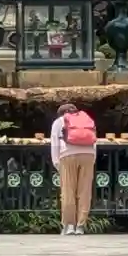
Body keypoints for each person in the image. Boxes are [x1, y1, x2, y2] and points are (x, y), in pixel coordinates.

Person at [49, 99, 98, 234]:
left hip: (67, 155)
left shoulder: (59, 122)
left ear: (61, 113)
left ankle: (69, 225)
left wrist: (56, 162)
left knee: (68, 190)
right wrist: (93, 157)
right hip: (88, 155)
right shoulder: (87, 119)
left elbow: (54, 143)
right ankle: (80, 226)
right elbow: (94, 140)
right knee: (85, 191)